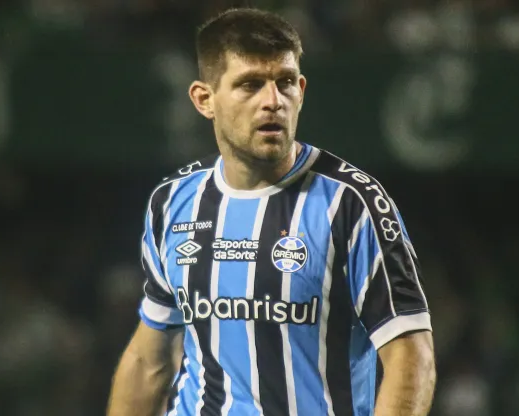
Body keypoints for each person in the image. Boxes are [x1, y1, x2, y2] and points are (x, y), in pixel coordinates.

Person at [108, 8, 435, 416]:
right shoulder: (173, 201)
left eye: (284, 83)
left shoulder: (353, 204)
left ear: (302, 88)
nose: (273, 101)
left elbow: (410, 355)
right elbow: (148, 362)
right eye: (250, 85)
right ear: (204, 99)